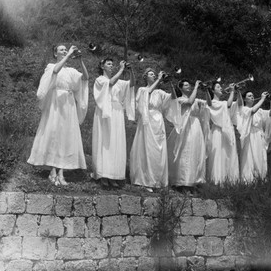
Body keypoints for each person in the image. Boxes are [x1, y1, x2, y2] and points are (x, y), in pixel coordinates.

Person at [27, 44, 89, 186]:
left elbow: (85, 78)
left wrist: (80, 60)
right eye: (61, 50)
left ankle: (61, 172)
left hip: (68, 104)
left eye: (66, 49)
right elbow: (55, 71)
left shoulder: (71, 70)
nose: (65, 51)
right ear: (55, 54)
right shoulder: (50, 66)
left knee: (65, 135)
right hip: (55, 103)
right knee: (54, 133)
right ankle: (53, 170)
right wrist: (68, 56)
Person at [129, 68, 181, 192]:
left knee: (158, 151)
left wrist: (171, 84)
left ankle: (158, 181)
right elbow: (147, 94)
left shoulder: (160, 92)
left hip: (158, 122)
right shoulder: (142, 90)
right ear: (146, 77)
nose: (154, 75)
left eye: (154, 74)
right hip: (147, 121)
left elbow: (173, 98)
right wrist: (158, 79)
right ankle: (145, 180)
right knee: (147, 149)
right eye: (151, 74)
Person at [91, 58, 135, 188]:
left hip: (117, 112)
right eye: (109, 64)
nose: (111, 66)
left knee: (116, 142)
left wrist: (131, 70)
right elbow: (110, 83)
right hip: (105, 112)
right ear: (102, 66)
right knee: (105, 141)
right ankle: (103, 174)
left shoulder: (120, 82)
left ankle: (114, 175)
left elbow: (131, 84)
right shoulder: (100, 80)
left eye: (112, 64)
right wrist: (121, 70)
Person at [167, 79, 208, 194]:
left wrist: (207, 90)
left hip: (195, 127)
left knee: (195, 152)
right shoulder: (179, 99)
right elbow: (190, 102)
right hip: (185, 127)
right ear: (180, 88)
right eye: (186, 85)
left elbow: (208, 103)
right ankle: (183, 182)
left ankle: (194, 181)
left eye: (189, 85)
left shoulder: (197, 99)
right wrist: (196, 87)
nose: (188, 86)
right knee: (186, 152)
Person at [204, 81, 240, 184]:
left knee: (228, 154)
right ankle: (217, 180)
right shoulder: (212, 102)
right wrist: (232, 91)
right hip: (218, 132)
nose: (221, 88)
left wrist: (237, 92)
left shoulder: (222, 102)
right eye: (218, 87)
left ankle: (230, 180)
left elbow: (235, 105)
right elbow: (228, 104)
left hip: (227, 131)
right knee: (219, 156)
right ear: (213, 90)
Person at [236, 90, 270, 182]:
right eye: (249, 96)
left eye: (252, 95)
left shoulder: (260, 110)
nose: (252, 97)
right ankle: (248, 180)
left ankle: (260, 178)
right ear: (244, 99)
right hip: (249, 136)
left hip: (259, 136)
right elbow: (253, 111)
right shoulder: (243, 109)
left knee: (260, 157)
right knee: (249, 157)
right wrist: (262, 99)